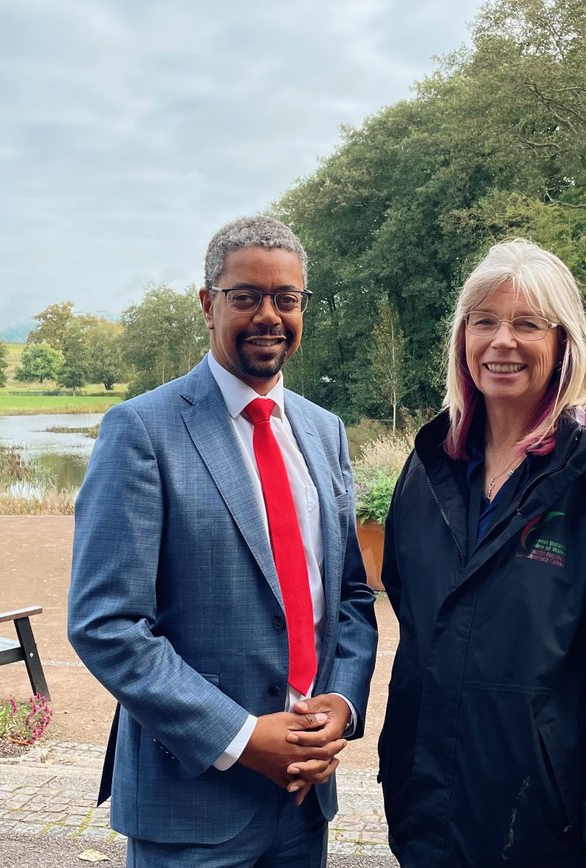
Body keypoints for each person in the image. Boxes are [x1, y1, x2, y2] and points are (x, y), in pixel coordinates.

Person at [67, 215, 378, 867]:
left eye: (286, 298)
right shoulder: (142, 431)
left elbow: (351, 596)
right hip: (191, 804)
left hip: (303, 802)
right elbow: (106, 623)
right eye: (247, 296)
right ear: (209, 305)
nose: (269, 315)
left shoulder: (325, 433)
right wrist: (241, 736)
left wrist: (342, 706)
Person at [377, 238, 586, 867]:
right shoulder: (430, 468)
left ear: (564, 342)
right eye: (484, 321)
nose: (502, 341)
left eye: (527, 324)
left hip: (547, 829)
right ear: (462, 338)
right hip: (428, 818)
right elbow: (417, 631)